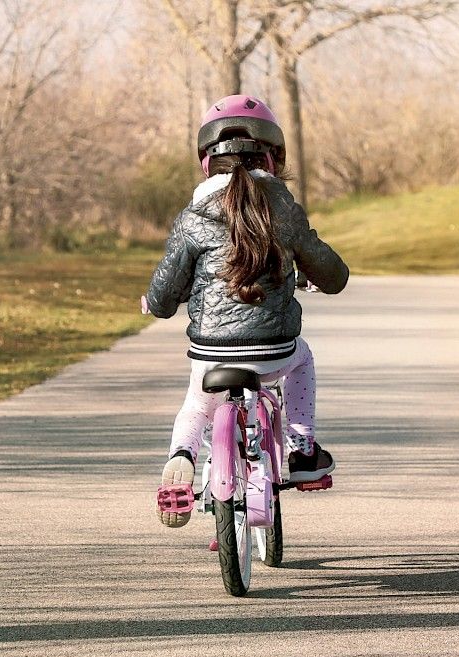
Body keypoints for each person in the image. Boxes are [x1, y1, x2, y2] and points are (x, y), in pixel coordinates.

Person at [143, 95, 349, 528]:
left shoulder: (193, 215)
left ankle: (181, 456)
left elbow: (164, 297)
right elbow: (332, 275)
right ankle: (302, 449)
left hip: (212, 353)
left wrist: (157, 302)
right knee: (302, 358)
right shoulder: (284, 209)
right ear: (273, 158)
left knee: (197, 407)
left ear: (206, 162)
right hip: (274, 351)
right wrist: (316, 272)